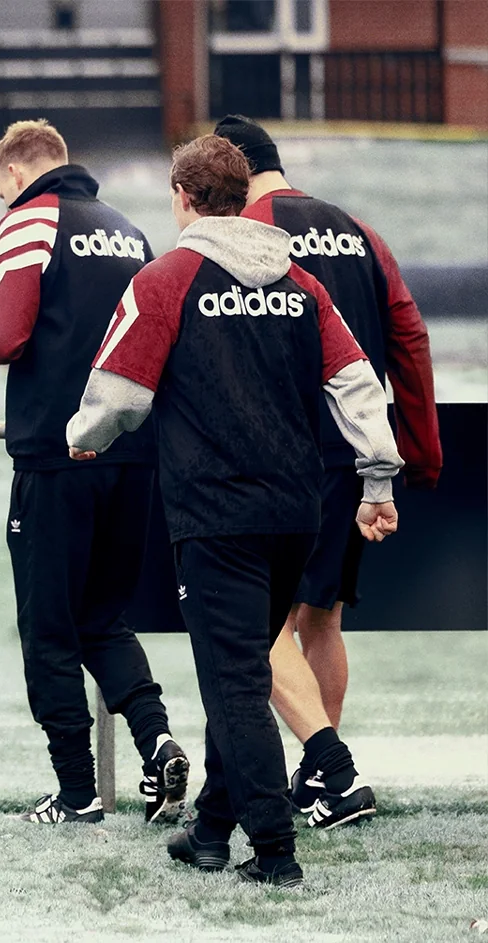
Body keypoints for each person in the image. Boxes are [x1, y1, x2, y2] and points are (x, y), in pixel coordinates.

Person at [66, 134, 403, 888]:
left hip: (216, 513)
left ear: (183, 198)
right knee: (244, 666)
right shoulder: (300, 282)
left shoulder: (168, 277)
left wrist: (83, 436)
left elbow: (120, 394)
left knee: (234, 683)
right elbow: (358, 385)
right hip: (297, 511)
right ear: (247, 197)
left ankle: (275, 852)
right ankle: (211, 830)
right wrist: (378, 481)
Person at [215, 114, 443, 829]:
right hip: (354, 455)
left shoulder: (243, 229)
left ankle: (327, 768)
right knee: (322, 617)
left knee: (256, 622)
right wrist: (421, 447)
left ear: (229, 169)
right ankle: (320, 781)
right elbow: (407, 332)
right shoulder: (356, 229)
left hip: (279, 455)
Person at [0, 119, 188, 825]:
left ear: (14, 172)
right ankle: (156, 745)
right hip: (134, 452)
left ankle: (76, 791)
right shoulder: (130, 230)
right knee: (103, 617)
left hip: (56, 456)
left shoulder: (27, 221)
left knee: (49, 628)